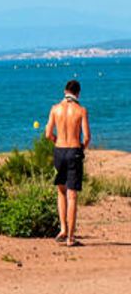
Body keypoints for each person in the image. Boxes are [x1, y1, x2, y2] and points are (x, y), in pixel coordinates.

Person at [45, 79, 90, 247]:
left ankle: (63, 229)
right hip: (73, 151)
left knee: (61, 192)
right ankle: (71, 238)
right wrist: (80, 150)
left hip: (59, 151)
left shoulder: (55, 109)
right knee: (72, 195)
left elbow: (48, 134)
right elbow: (86, 137)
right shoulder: (81, 110)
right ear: (77, 93)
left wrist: (58, 141)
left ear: (65, 91)